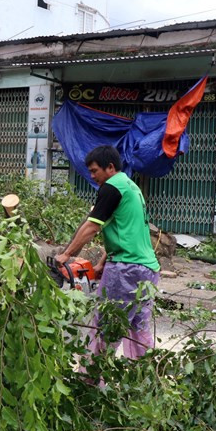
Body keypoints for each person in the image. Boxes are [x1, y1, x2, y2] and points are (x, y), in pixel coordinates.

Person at [55, 145, 160, 359]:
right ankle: (146, 379)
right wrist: (103, 261)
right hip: (147, 269)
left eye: (95, 171)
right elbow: (126, 230)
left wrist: (66, 255)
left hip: (126, 269)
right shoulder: (130, 187)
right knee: (137, 330)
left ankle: (90, 382)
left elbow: (92, 227)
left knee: (106, 328)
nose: (92, 176)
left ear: (110, 167)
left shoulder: (111, 187)